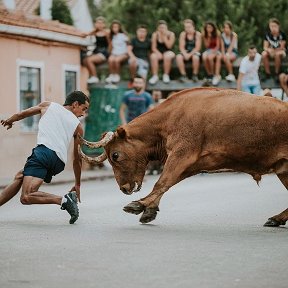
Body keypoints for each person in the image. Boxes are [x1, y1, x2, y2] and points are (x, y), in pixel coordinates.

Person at [0, 91, 90, 224]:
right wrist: (77, 184)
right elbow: (77, 159)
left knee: (26, 196)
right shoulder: (78, 127)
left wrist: (9, 120)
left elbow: (22, 114)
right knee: (20, 176)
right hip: (58, 162)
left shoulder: (48, 106)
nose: (83, 113)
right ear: (75, 104)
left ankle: (63, 200)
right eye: (84, 109)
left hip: (43, 153)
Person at [84, 17, 110, 84]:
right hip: (96, 51)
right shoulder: (94, 32)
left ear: (104, 24)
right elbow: (86, 34)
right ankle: (91, 76)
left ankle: (95, 77)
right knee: (85, 60)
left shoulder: (107, 32)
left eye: (101, 23)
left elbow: (110, 44)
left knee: (89, 60)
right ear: (95, 24)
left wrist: (110, 54)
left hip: (104, 52)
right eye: (98, 23)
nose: (100, 25)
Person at [148, 20, 175, 85]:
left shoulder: (171, 34)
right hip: (158, 52)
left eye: (163, 27)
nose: (162, 29)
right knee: (153, 56)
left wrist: (164, 37)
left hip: (168, 52)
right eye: (160, 27)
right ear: (158, 28)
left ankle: (166, 75)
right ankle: (155, 76)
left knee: (167, 56)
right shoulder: (155, 34)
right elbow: (153, 47)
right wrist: (158, 53)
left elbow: (169, 46)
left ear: (166, 28)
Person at [262, 18, 286, 82]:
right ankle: (268, 73)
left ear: (278, 26)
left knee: (277, 54)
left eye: (274, 26)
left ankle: (276, 73)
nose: (273, 28)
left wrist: (273, 51)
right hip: (271, 52)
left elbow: (282, 47)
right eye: (271, 26)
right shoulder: (267, 35)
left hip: (280, 52)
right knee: (264, 54)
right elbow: (265, 47)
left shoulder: (282, 35)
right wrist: (269, 50)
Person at [202, 21, 221, 85]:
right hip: (208, 50)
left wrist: (214, 52)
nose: (209, 29)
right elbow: (207, 45)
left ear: (213, 28)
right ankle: (209, 74)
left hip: (215, 49)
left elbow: (218, 45)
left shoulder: (217, 33)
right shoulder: (205, 34)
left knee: (210, 58)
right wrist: (208, 37)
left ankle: (213, 74)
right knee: (204, 57)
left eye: (210, 27)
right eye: (207, 27)